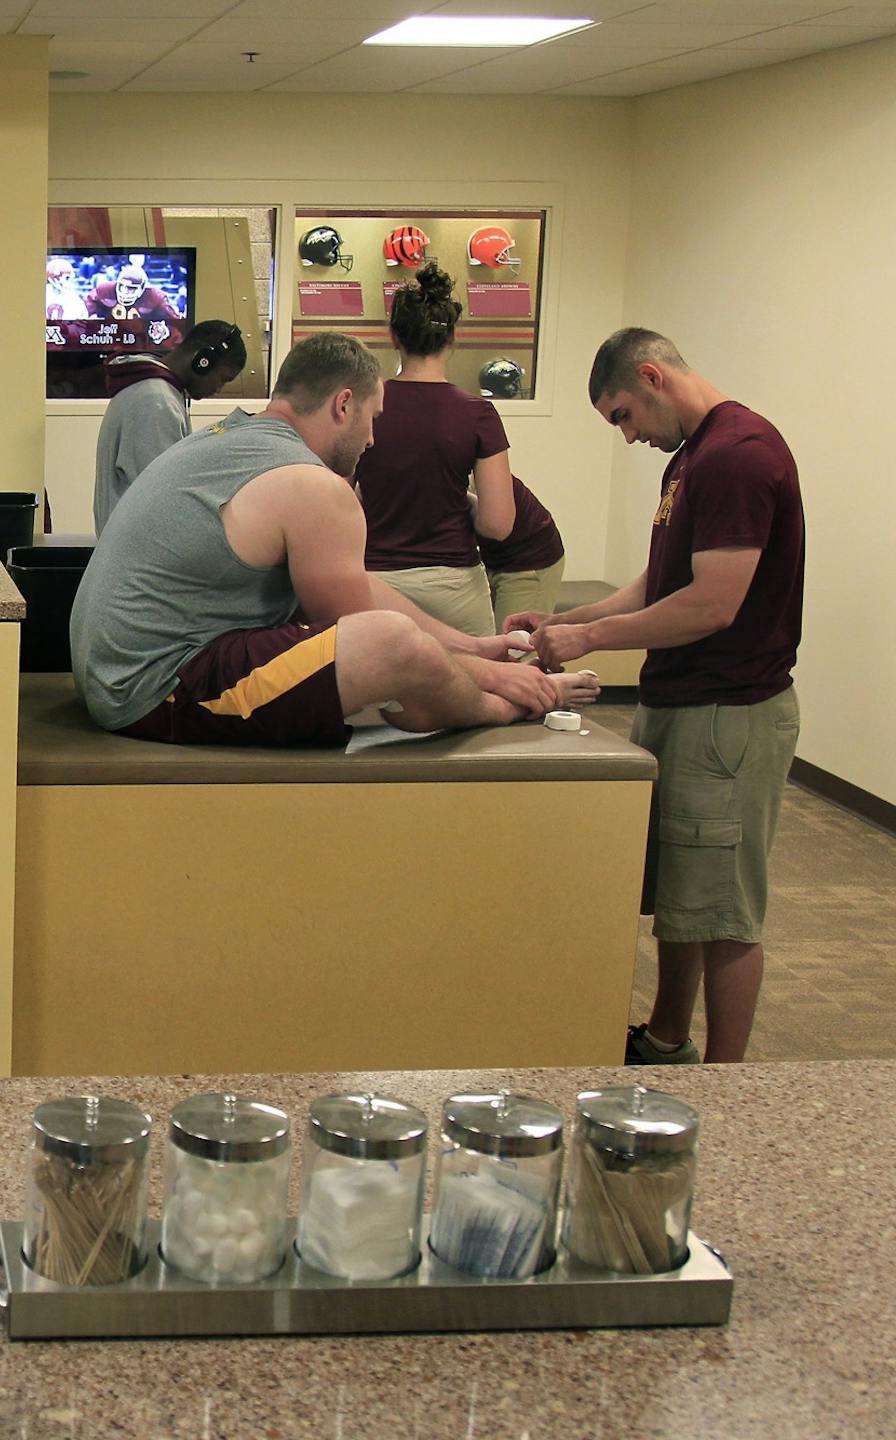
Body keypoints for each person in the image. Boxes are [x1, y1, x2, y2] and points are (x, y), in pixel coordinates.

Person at [507, 329, 805, 1065]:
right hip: (682, 703)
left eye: (624, 416)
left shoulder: (738, 456)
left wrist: (593, 644)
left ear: (651, 376)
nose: (629, 435)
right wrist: (568, 620)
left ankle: (726, 1079)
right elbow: (659, 584)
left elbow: (713, 605)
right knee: (683, 895)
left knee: (726, 910)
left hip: (727, 714)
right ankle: (668, 1038)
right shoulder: (692, 459)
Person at [71, 334, 596, 749]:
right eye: (373, 418)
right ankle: (507, 706)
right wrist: (498, 681)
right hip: (153, 688)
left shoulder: (228, 439)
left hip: (120, 673)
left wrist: (471, 647)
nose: (371, 439)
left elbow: (354, 591)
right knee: (392, 649)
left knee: (399, 650)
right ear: (344, 404)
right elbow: (371, 637)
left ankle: (497, 684)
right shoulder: (313, 485)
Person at [351, 262, 517, 637]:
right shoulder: (478, 414)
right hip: (454, 588)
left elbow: (338, 500)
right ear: (452, 340)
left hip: (376, 583)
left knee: (380, 694)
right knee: (470, 692)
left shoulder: (362, 407)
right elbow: (498, 523)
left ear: (393, 336)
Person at [92, 319, 248, 532]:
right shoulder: (155, 401)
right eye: (222, 379)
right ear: (203, 361)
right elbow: (164, 495)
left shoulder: (156, 391)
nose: (219, 388)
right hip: (140, 551)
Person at [481, 474, 567, 626]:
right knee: (490, 640)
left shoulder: (457, 472)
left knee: (514, 644)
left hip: (530, 559)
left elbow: (498, 527)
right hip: (494, 556)